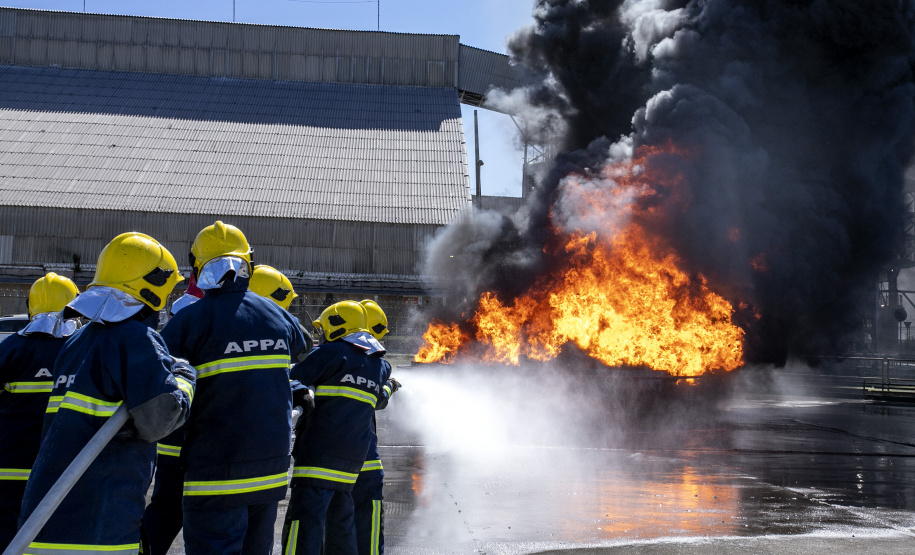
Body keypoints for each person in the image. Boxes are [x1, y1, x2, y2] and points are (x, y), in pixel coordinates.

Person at [18, 232, 196, 554]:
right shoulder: (135, 339)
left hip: (44, 520)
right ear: (152, 288)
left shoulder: (74, 344)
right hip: (98, 527)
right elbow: (159, 419)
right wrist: (184, 379)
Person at [161, 221, 306, 555]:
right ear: (248, 264)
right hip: (269, 473)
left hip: (216, 474)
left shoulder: (189, 322)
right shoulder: (278, 315)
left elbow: (161, 375)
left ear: (196, 268)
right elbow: (301, 349)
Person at [283, 301, 390, 555]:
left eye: (323, 330)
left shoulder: (333, 353)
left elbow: (292, 376)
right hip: (351, 465)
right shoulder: (379, 365)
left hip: (317, 457)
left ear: (337, 325)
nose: (321, 336)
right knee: (341, 531)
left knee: (304, 526)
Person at [0, 272, 79, 550]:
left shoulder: (9, 350)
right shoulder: (81, 351)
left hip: (10, 469)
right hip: (65, 471)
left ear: (30, 306)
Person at [141, 272, 205, 555]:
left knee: (167, 508)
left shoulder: (177, 324)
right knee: (175, 510)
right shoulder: (200, 324)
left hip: (173, 437)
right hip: (188, 438)